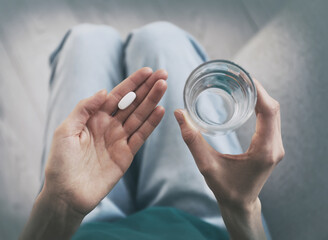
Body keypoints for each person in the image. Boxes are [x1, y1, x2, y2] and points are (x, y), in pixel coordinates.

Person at [19, 22, 284, 240]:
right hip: (210, 226)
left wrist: (61, 203)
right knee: (160, 37)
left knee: (85, 39)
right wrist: (241, 207)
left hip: (80, 229)